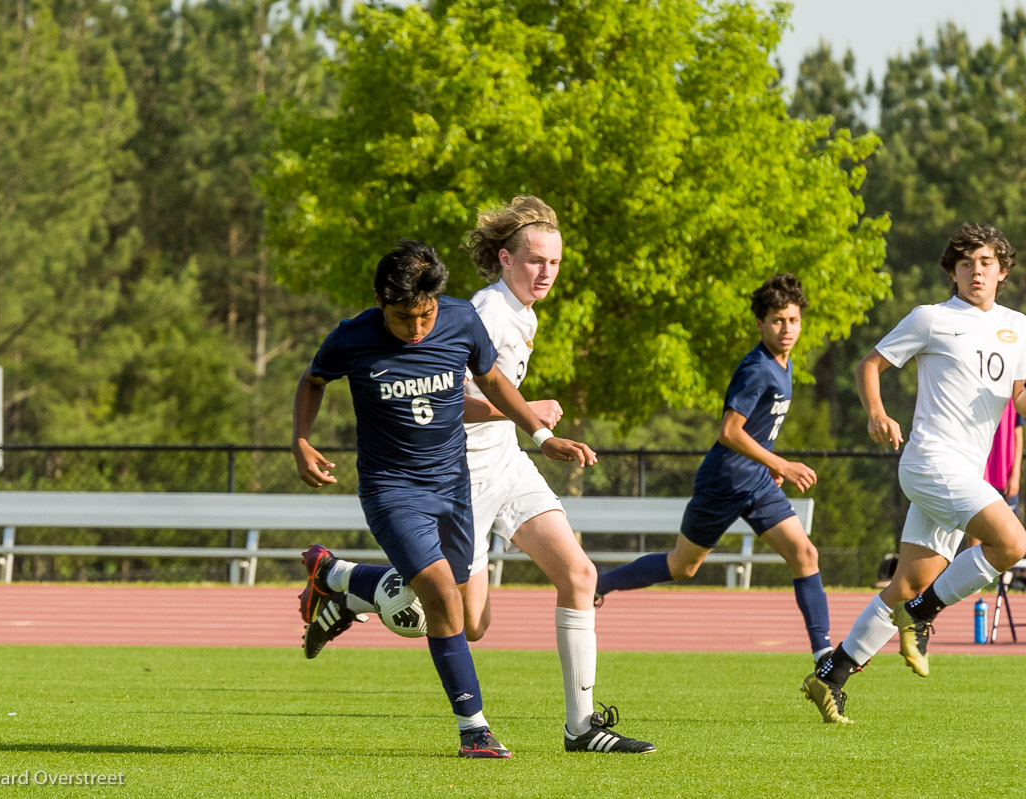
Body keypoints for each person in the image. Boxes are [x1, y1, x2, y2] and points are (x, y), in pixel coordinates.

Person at [305, 197, 654, 754]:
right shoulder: (484, 311)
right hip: (459, 470)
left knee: (579, 576)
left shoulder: (521, 312)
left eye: (555, 263)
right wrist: (532, 411)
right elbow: (453, 402)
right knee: (466, 622)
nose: (546, 273)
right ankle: (348, 583)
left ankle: (582, 727)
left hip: (508, 462)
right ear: (505, 259)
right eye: (536, 260)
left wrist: (536, 436)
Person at [802, 222, 1026, 724]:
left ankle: (831, 674)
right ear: (953, 273)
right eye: (965, 264)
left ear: (1002, 271)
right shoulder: (932, 318)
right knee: (1012, 544)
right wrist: (877, 413)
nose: (974, 272)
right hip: (931, 462)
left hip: (964, 471)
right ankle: (921, 618)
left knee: (909, 582)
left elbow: (1023, 405)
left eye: (984, 263)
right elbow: (868, 365)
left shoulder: (1018, 325)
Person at [594, 273, 832, 663]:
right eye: (777, 320)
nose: (786, 328)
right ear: (760, 324)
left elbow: (757, 429)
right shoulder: (757, 367)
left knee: (805, 553)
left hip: (754, 479)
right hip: (724, 481)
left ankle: (823, 653)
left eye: (792, 320)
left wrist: (766, 464)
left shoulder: (784, 364)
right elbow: (728, 432)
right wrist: (781, 464)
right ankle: (599, 584)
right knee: (683, 566)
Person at [964, 397, 1025, 549]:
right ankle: (974, 573)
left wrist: (1015, 475)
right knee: (975, 537)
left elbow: (1018, 433)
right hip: (978, 475)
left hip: (1005, 478)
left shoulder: (1015, 392)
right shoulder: (974, 390)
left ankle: (1003, 574)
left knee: (1009, 539)